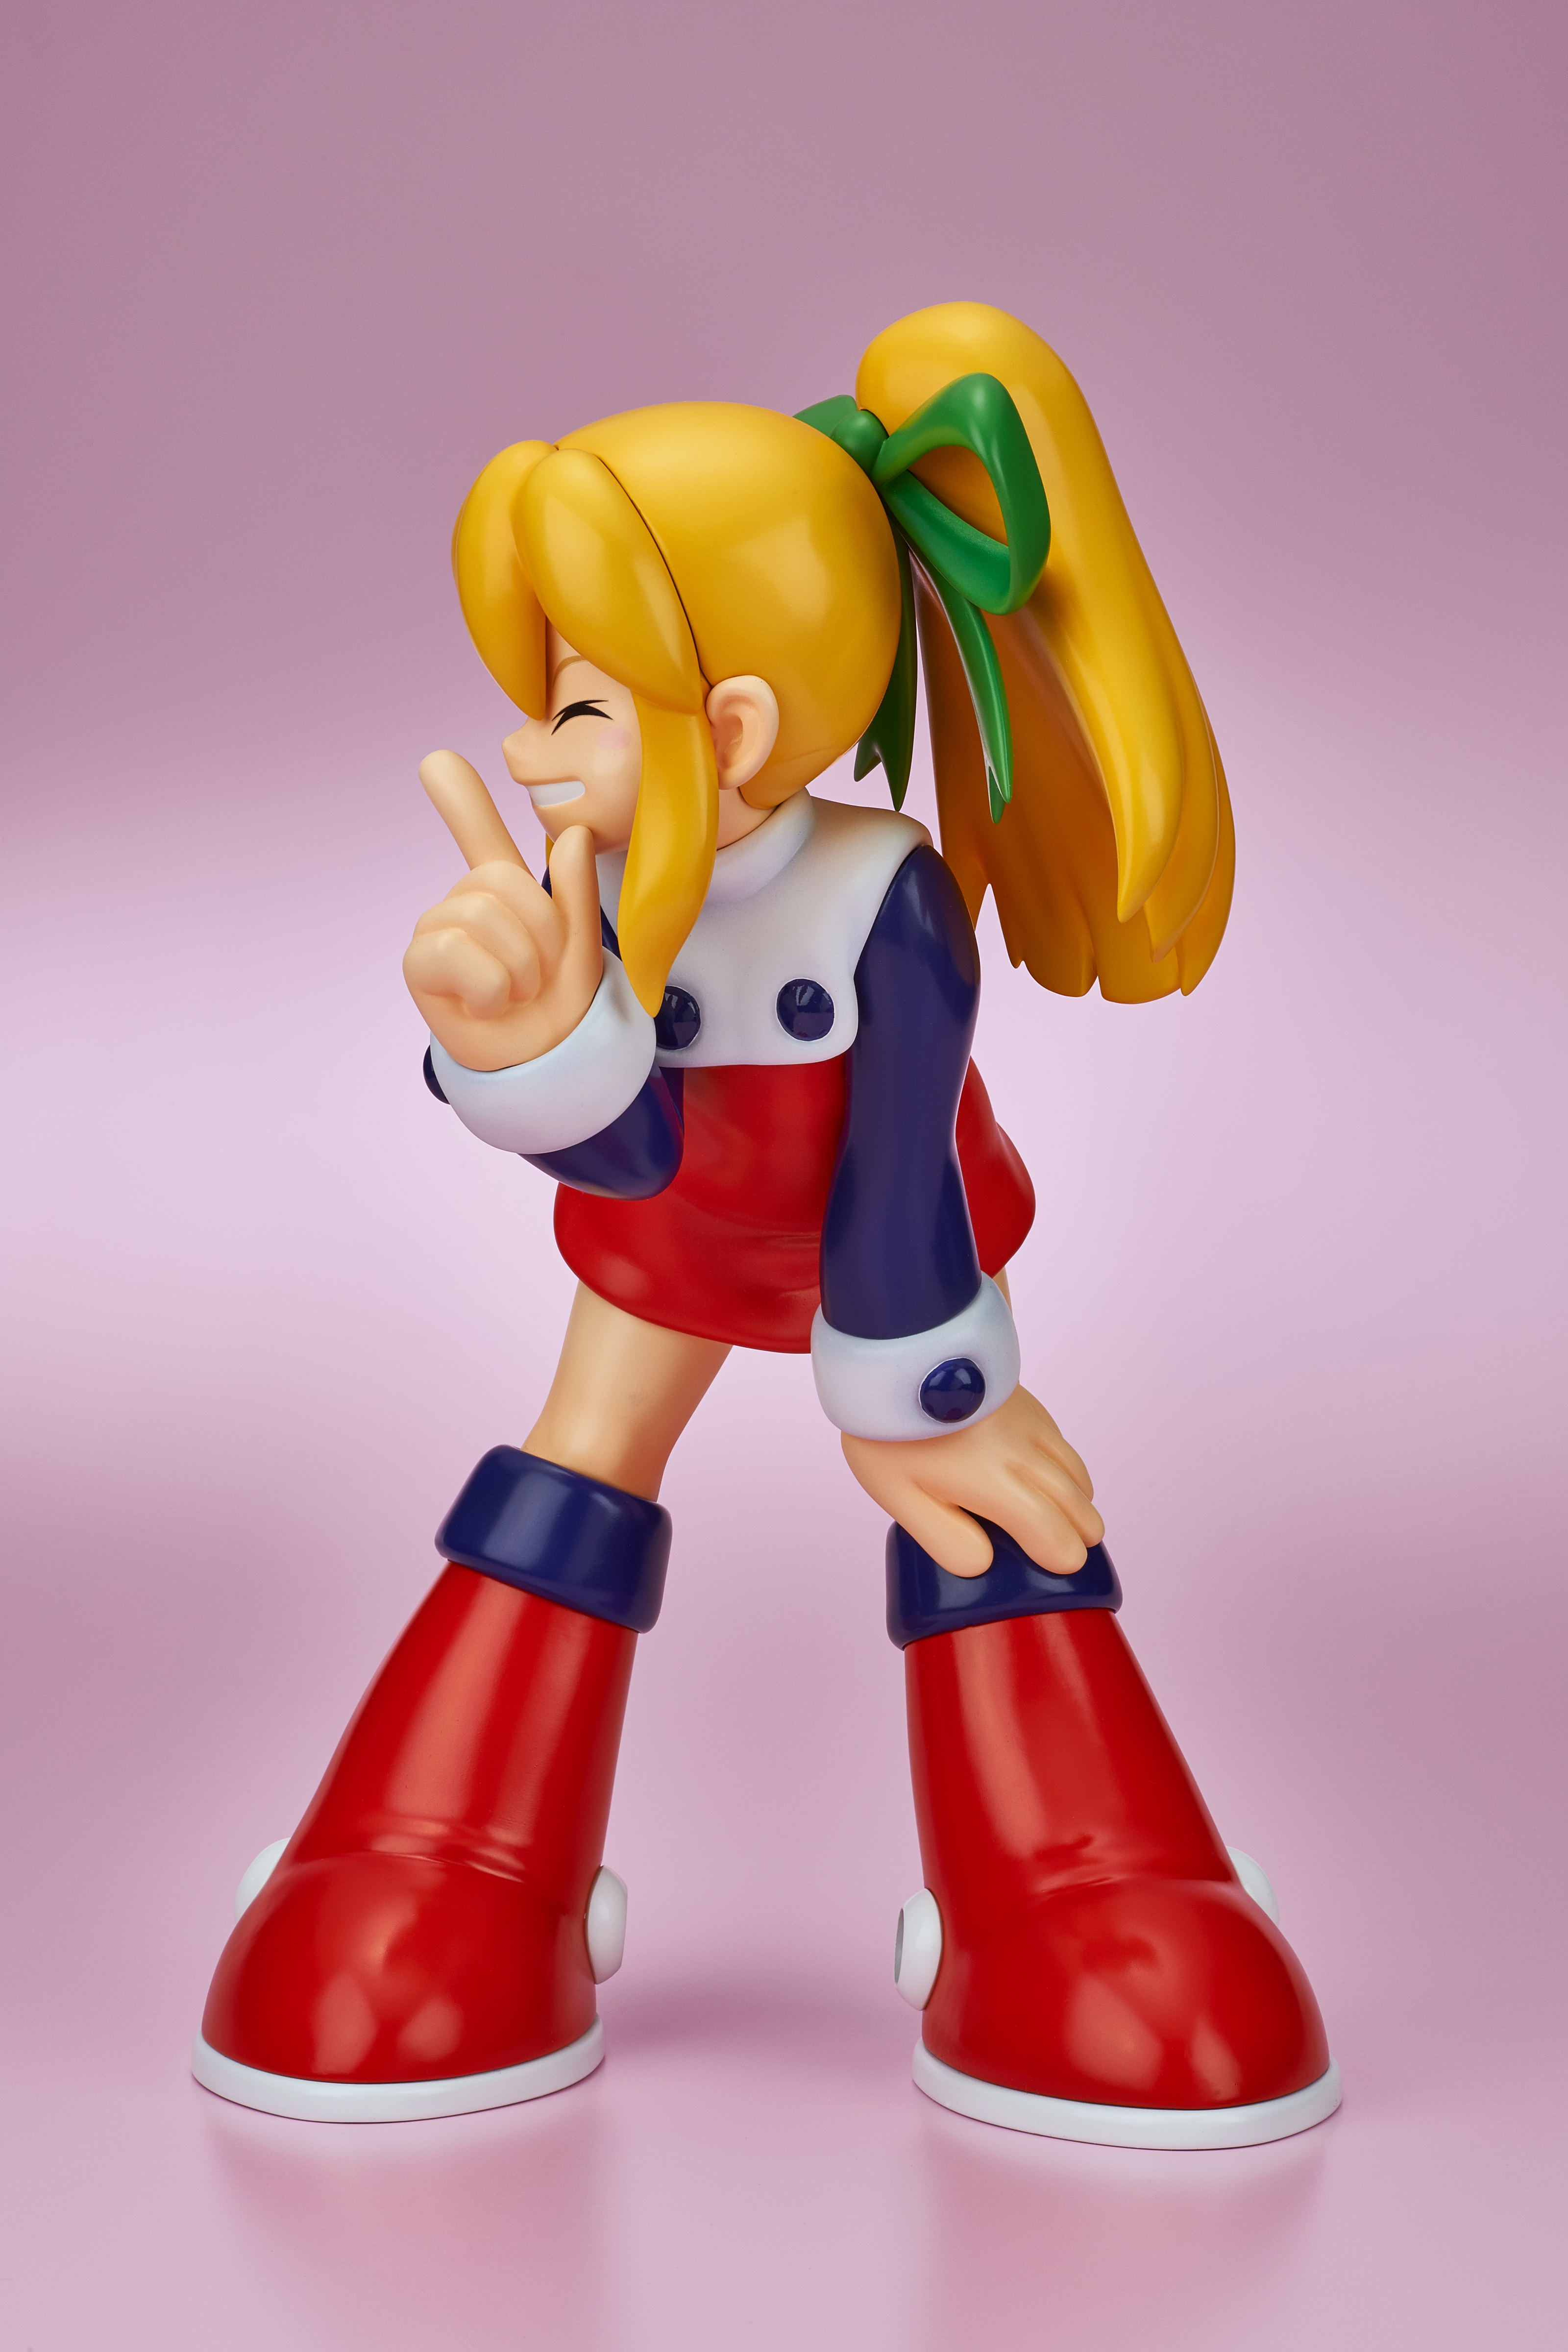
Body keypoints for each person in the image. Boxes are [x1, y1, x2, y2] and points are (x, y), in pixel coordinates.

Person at [193, 302, 1338, 2146]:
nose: (531, 752)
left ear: (730, 725)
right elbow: (634, 1158)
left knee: (977, 1490)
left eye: (576, 706)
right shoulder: (614, 887)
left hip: (894, 1258)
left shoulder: (886, 901)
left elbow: (898, 1161)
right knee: (581, 1452)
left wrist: (913, 1400)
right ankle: (454, 1856)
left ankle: (1073, 1884)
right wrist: (529, 1053)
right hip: (664, 1248)